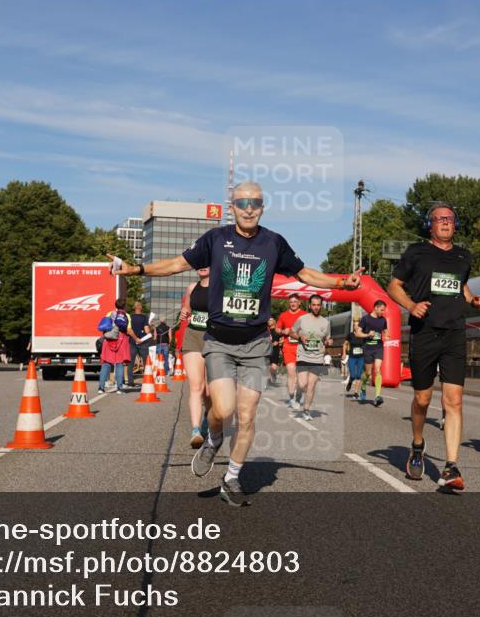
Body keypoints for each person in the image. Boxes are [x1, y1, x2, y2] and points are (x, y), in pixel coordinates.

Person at [110, 181, 361, 506]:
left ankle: (232, 478)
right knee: (223, 410)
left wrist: (342, 282)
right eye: (242, 201)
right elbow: (175, 264)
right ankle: (214, 440)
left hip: (256, 342)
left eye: (254, 201)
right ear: (233, 206)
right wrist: (135, 269)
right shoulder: (216, 239)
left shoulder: (274, 243)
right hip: (220, 341)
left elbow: (305, 275)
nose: (248, 207)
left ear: (262, 206)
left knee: (246, 414)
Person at [387, 202, 480, 491]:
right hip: (425, 333)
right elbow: (393, 285)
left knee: (453, 401)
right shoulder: (416, 253)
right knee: (422, 399)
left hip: (455, 332)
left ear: (454, 224)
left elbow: (462, 286)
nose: (445, 222)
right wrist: (410, 305)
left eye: (450, 219)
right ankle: (417, 445)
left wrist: (474, 300)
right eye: (439, 219)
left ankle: (450, 466)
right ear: (430, 225)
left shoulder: (463, 255)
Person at [179, 268, 212, 447]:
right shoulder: (192, 287)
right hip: (193, 336)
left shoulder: (221, 287)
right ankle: (195, 430)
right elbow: (186, 308)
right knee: (196, 386)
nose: (202, 265)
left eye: (206, 262)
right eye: (199, 262)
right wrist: (184, 312)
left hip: (214, 338)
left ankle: (208, 415)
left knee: (208, 390)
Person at [291, 295, 333, 421]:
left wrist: (329, 341)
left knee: (311, 385)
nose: (316, 307)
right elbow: (292, 332)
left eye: (318, 305)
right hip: (303, 355)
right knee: (303, 384)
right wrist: (299, 337)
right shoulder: (302, 319)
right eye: (313, 304)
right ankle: (298, 394)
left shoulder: (326, 323)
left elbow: (327, 338)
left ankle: (306, 409)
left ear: (321, 306)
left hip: (317, 357)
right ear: (310, 305)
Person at [276, 294, 307, 409]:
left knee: (301, 376)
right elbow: (277, 329)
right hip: (288, 347)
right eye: (291, 302)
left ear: (299, 303)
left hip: (302, 348)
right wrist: (283, 331)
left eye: (295, 301)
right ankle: (291, 398)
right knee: (290, 371)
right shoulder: (284, 315)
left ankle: (298, 395)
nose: (293, 304)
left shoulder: (305, 315)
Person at [356, 300, 389, 406]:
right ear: (376, 308)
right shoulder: (365, 319)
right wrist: (367, 335)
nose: (383, 312)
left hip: (379, 347)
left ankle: (377, 396)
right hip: (368, 348)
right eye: (382, 310)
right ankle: (363, 386)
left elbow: (385, 331)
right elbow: (358, 334)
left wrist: (387, 336)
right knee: (368, 373)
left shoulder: (383, 320)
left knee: (378, 370)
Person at [98, 298, 132, 394]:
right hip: (121, 340)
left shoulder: (109, 314)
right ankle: (119, 388)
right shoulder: (127, 316)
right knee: (119, 363)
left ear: (115, 305)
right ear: (124, 306)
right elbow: (128, 330)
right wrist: (136, 338)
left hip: (109, 340)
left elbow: (104, 327)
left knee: (106, 363)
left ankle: (101, 388)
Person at [128, 301, 150, 387]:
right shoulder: (144, 317)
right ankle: (147, 380)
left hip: (132, 341)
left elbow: (129, 330)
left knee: (131, 363)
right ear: (140, 307)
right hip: (142, 341)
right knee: (146, 362)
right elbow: (147, 330)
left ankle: (130, 382)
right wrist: (150, 326)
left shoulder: (130, 317)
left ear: (134, 308)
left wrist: (134, 338)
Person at [342, 319, 366, 399]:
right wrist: (344, 353)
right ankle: (350, 382)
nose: (356, 327)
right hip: (352, 357)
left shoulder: (363, 335)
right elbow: (345, 344)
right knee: (352, 375)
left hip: (361, 357)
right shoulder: (350, 335)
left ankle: (355, 392)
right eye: (354, 325)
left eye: (357, 325)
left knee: (359, 375)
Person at [267, 316, 281, 385]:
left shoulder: (277, 330)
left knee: (274, 367)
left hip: (275, 350)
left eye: (271, 320)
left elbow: (282, 339)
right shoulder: (266, 331)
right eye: (269, 320)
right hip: (267, 350)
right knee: (268, 366)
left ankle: (274, 375)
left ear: (274, 321)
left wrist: (279, 342)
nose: (269, 321)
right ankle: (269, 380)